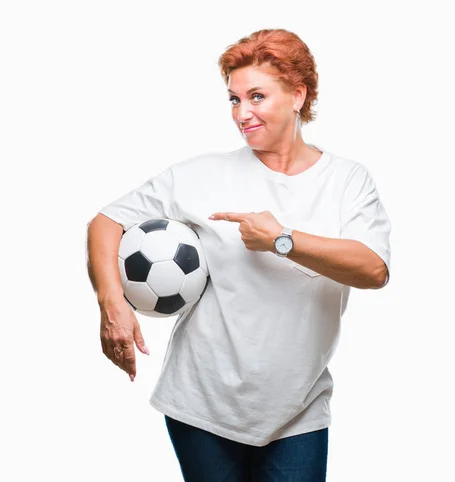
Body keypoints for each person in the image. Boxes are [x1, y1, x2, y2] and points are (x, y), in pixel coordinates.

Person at [86, 28, 391, 481]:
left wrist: (281, 240)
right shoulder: (202, 174)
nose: (242, 113)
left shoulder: (346, 181)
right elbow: (106, 222)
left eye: (256, 97)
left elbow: (373, 269)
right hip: (201, 405)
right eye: (233, 99)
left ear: (297, 95)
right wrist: (112, 305)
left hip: (298, 410)